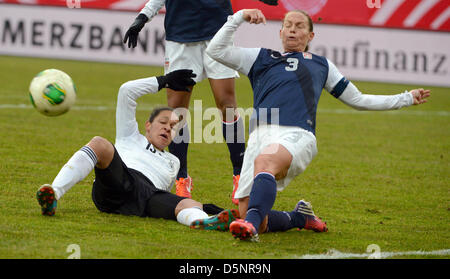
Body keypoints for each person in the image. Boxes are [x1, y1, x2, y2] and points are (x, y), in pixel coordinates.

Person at [203, 9, 431, 241]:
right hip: (259, 137)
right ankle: (297, 218)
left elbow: (359, 100)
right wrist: (240, 16)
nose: (293, 29)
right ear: (280, 32)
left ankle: (248, 227)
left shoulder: (321, 66)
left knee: (265, 164)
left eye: (300, 25)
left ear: (311, 36)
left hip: (296, 134)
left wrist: (406, 98)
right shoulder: (260, 58)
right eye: (288, 24)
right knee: (255, 214)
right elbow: (215, 50)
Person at [36, 69, 239, 231]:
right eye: (163, 122)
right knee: (100, 143)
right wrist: (164, 80)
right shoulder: (129, 136)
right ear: (148, 125)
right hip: (117, 183)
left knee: (188, 203)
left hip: (147, 196)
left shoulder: (173, 161)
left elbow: (162, 193)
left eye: (174, 126)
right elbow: (126, 91)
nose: (168, 127)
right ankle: (54, 194)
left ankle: (203, 222)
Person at [123, 0, 247, 204]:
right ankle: (182, 178)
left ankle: (239, 176)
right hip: (180, 36)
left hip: (217, 32)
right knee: (176, 112)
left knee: (227, 105)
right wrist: (142, 17)